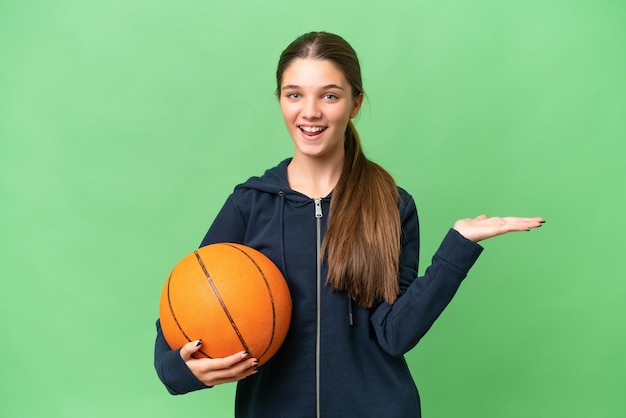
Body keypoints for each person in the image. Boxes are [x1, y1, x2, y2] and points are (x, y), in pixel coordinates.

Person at [154, 31, 544, 417]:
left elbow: (395, 334)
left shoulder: (391, 204)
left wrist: (457, 248)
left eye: (329, 95)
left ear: (354, 104)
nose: (310, 111)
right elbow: (187, 302)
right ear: (280, 101)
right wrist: (179, 370)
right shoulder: (250, 204)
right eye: (294, 94)